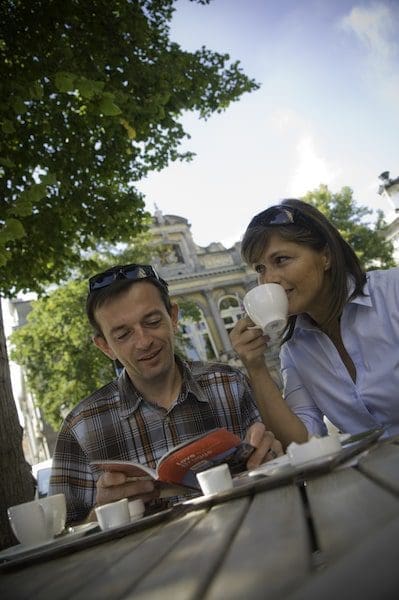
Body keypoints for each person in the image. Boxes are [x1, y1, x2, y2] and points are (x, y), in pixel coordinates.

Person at [49, 263, 282, 524]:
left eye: (152, 321)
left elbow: (280, 472)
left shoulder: (231, 384)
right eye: (123, 334)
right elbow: (65, 539)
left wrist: (271, 457)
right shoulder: (80, 428)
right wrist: (100, 515)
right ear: (105, 347)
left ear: (173, 317)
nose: (144, 341)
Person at [230, 199, 399, 449]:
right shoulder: (295, 351)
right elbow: (303, 443)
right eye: (261, 268)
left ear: (326, 257)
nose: (269, 280)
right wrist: (255, 367)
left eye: (281, 259)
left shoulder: (392, 293)